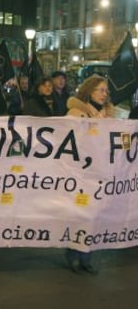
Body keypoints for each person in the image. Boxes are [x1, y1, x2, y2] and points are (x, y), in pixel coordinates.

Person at [65, 75, 115, 274]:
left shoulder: (109, 115)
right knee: (79, 214)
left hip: (100, 173)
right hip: (80, 173)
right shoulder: (76, 113)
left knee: (94, 216)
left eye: (106, 90)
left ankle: (87, 256)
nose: (105, 94)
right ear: (89, 91)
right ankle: (73, 254)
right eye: (100, 90)